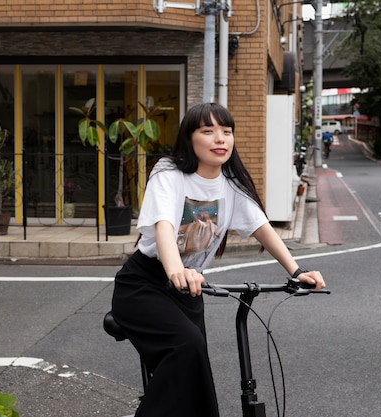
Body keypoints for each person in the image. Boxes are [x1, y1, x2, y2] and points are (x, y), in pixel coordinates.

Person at [111, 102, 325, 417]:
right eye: (208, 131)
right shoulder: (168, 173)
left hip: (189, 290)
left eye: (226, 131)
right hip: (143, 285)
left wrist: (298, 270)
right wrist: (176, 271)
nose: (220, 139)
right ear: (189, 137)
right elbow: (164, 228)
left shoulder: (231, 185)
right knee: (187, 348)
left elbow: (262, 229)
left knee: (197, 379)